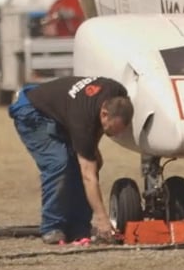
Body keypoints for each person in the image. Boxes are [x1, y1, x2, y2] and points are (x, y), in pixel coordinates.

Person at [8, 74, 134, 245]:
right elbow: (88, 175)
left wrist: (93, 149)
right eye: (111, 129)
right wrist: (103, 218)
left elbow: (94, 127)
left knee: (87, 164)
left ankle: (78, 228)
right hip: (31, 111)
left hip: (59, 113)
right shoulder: (82, 121)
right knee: (60, 164)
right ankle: (52, 227)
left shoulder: (117, 92)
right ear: (104, 114)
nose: (115, 134)